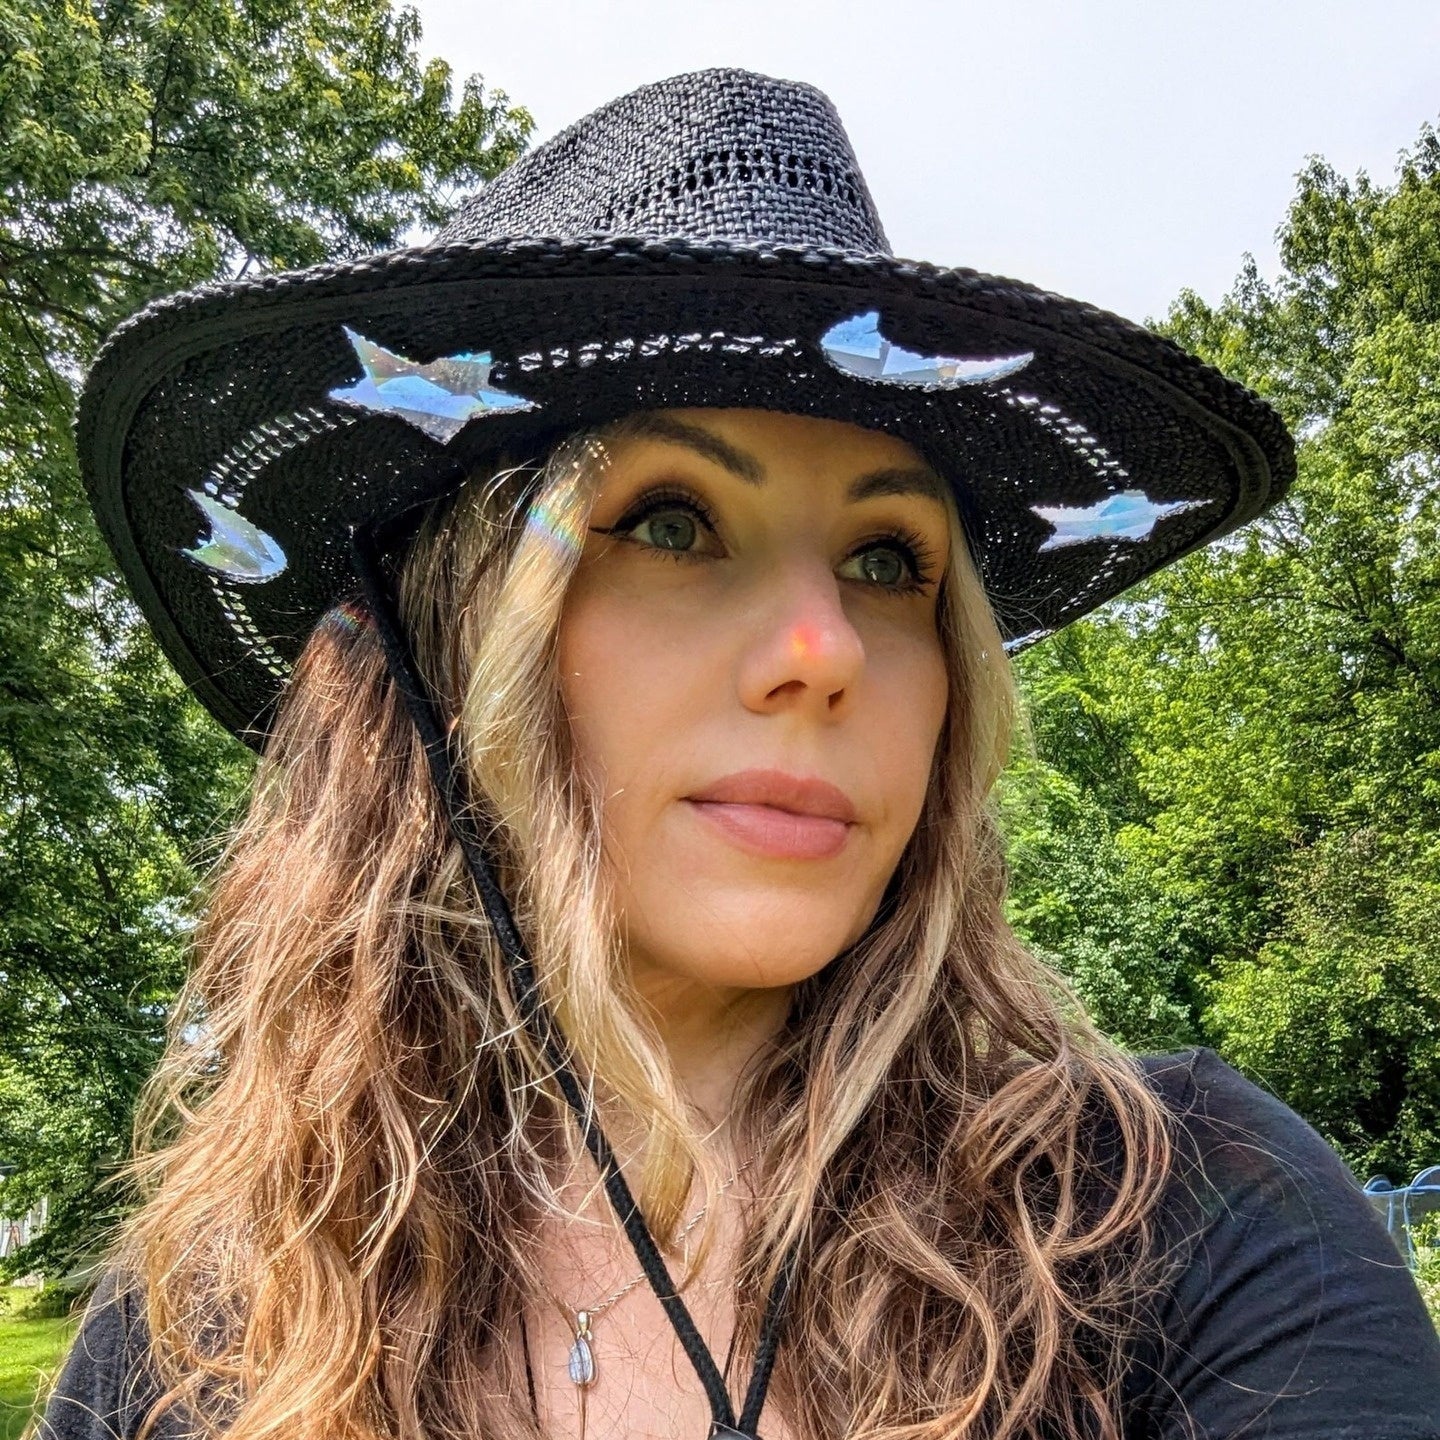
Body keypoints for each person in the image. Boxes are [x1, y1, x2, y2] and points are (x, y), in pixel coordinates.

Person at [43, 69, 1440, 1440]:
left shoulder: (1182, 1222)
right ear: (454, 643)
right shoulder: (199, 1327)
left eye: (888, 559)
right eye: (670, 523)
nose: (825, 650)